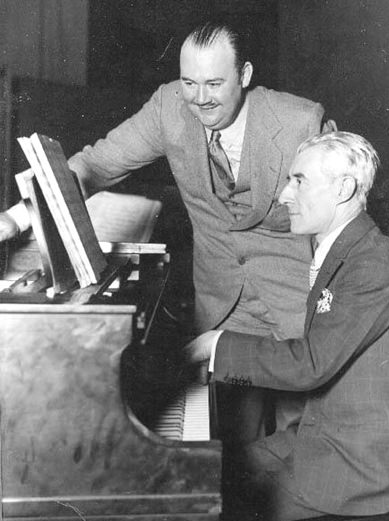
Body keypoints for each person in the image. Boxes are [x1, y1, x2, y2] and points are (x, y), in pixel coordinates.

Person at [0, 21, 336, 443]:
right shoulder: (168, 108)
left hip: (298, 311)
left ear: (245, 75)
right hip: (223, 311)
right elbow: (94, 165)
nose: (200, 98)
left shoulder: (301, 122)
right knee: (234, 447)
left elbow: (342, 221)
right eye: (189, 82)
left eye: (214, 83)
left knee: (301, 444)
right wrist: (14, 219)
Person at [187, 131, 389, 521]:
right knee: (199, 468)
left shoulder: (372, 265)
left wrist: (214, 347)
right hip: (323, 437)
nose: (284, 195)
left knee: (202, 508)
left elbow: (308, 365)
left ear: (343, 189)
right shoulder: (345, 249)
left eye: (299, 181)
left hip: (361, 469)